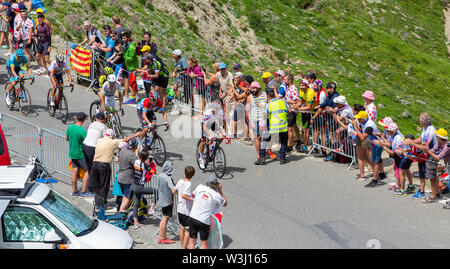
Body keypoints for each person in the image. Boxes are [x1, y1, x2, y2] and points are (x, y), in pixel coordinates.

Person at [90, 129, 136, 208]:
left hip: (95, 164)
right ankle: (101, 205)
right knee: (104, 186)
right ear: (112, 136)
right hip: (104, 165)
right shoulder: (112, 142)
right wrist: (135, 135)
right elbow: (126, 139)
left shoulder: (100, 140)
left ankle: (98, 203)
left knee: (97, 185)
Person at [404, 113, 439, 203]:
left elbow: (425, 147)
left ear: (423, 121)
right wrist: (411, 142)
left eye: (420, 119)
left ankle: (433, 195)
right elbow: (421, 139)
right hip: (429, 153)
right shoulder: (425, 128)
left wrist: (413, 144)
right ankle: (437, 192)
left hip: (432, 154)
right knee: (433, 175)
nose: (419, 121)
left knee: (431, 176)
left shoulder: (430, 131)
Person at [188, 175, 227, 249]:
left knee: (192, 240)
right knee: (203, 243)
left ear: (207, 182)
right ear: (216, 185)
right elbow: (225, 203)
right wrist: (220, 190)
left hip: (193, 217)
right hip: (204, 221)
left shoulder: (200, 187)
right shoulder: (217, 195)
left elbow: (193, 194)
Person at [257, 87, 289, 165]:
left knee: (265, 140)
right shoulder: (283, 102)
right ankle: (282, 158)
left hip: (273, 127)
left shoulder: (269, 105)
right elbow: (287, 110)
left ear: (267, 95)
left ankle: (261, 158)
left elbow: (265, 114)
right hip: (283, 126)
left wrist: (261, 106)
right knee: (284, 141)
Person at [353, 111, 384, 187]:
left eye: (359, 119)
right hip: (374, 143)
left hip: (377, 144)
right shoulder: (365, 122)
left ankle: (375, 180)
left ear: (363, 119)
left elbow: (362, 137)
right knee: (375, 160)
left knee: (376, 162)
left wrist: (355, 128)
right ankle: (381, 174)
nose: (358, 120)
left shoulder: (369, 126)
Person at [66, 112, 93, 198]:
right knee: (88, 170)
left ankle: (74, 191)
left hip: (72, 153)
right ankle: (84, 191)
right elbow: (87, 142)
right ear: (84, 120)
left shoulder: (70, 127)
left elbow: (67, 138)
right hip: (80, 154)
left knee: (74, 170)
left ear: (77, 118)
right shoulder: (82, 131)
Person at [131, 149, 157, 229]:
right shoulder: (144, 165)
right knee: (157, 191)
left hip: (134, 185)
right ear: (146, 158)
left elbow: (136, 156)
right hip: (139, 187)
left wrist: (137, 150)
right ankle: (152, 208)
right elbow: (152, 171)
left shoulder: (136, 161)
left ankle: (136, 223)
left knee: (136, 203)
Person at [172, 166, 195, 249]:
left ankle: (183, 246)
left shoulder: (180, 181)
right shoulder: (189, 183)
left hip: (179, 208)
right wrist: (193, 199)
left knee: (182, 227)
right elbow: (184, 195)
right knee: (188, 230)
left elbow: (174, 191)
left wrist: (180, 192)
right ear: (193, 175)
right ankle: (184, 247)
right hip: (186, 210)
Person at [198, 100, 225, 169]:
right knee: (204, 141)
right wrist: (209, 135)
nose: (216, 111)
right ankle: (201, 157)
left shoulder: (221, 112)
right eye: (215, 109)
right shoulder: (207, 113)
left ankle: (213, 149)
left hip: (214, 124)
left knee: (221, 137)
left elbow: (221, 122)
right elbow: (204, 126)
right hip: (206, 125)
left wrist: (223, 132)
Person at [82, 112, 107, 186]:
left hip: (85, 146)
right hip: (93, 148)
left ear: (96, 118)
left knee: (89, 167)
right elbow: (106, 139)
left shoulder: (91, 124)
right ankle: (94, 186)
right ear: (104, 119)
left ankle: (90, 185)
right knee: (95, 168)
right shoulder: (104, 127)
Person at [156, 160, 176, 244]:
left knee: (163, 218)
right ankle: (163, 238)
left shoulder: (160, 175)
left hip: (161, 199)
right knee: (165, 219)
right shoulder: (168, 178)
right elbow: (173, 190)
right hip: (167, 201)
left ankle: (161, 236)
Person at [117, 137, 139, 213]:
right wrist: (136, 153)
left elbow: (118, 159)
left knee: (125, 196)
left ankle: (123, 212)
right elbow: (137, 165)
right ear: (135, 146)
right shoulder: (132, 155)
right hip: (127, 179)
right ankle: (120, 214)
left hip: (120, 177)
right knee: (128, 198)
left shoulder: (123, 151)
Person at [247, 81, 267, 162]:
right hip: (255, 119)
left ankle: (265, 151)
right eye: (251, 88)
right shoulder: (250, 97)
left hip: (264, 119)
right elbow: (247, 111)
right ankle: (259, 154)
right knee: (258, 137)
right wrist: (251, 122)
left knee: (265, 137)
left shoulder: (265, 95)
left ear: (258, 88)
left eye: (254, 88)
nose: (252, 90)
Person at [282, 74, 301, 153]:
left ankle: (290, 145)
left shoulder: (293, 89)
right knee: (293, 125)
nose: (284, 81)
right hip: (288, 109)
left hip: (292, 110)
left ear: (289, 80)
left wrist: (288, 102)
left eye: (285, 79)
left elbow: (297, 100)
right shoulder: (288, 87)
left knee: (289, 128)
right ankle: (298, 138)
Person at [121, 29, 139, 104]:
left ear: (128, 38)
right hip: (129, 67)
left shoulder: (131, 47)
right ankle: (135, 96)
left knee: (132, 83)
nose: (123, 39)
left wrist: (124, 56)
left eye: (124, 38)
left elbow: (131, 58)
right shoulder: (126, 45)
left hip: (132, 67)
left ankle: (133, 98)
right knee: (132, 82)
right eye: (122, 38)